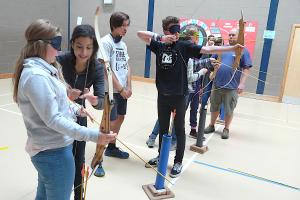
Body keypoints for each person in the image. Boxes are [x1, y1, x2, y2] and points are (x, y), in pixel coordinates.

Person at [12, 19, 116, 200]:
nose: (59, 50)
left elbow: (57, 100)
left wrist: (77, 109)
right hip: (53, 152)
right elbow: (53, 119)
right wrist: (95, 136)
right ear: (41, 45)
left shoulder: (43, 69)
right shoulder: (37, 75)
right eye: (56, 44)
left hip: (53, 148)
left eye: (89, 48)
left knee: (44, 194)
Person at [137, 16, 243, 178]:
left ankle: (178, 161)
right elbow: (139, 34)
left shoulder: (184, 45)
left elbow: (207, 50)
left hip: (180, 95)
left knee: (179, 129)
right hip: (163, 96)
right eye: (173, 30)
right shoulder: (159, 45)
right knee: (164, 129)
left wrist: (231, 48)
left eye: (178, 30)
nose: (176, 33)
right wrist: (161, 38)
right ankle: (161, 156)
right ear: (166, 30)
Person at [56, 24, 105, 199]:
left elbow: (101, 103)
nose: (83, 52)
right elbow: (46, 84)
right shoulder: (60, 60)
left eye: (88, 48)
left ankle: (78, 195)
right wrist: (66, 92)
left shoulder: (97, 68)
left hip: (79, 116)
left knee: (78, 159)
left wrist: (93, 99)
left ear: (94, 48)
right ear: (72, 44)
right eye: (79, 46)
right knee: (57, 157)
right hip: (56, 116)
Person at [95, 12, 132, 175]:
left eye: (127, 26)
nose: (126, 29)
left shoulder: (122, 45)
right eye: (123, 26)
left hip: (122, 90)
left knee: (120, 117)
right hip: (110, 90)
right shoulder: (105, 42)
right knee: (108, 123)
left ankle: (111, 147)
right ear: (114, 26)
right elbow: (105, 68)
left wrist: (129, 85)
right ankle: (98, 158)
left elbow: (127, 65)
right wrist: (120, 89)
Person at [204, 28, 252, 139]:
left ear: (239, 37)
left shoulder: (243, 51)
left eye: (233, 35)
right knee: (214, 106)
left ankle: (226, 128)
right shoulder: (222, 49)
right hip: (217, 84)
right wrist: (212, 71)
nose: (230, 37)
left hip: (232, 87)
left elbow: (246, 68)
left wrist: (242, 84)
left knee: (229, 108)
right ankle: (212, 125)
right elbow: (213, 61)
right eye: (229, 35)